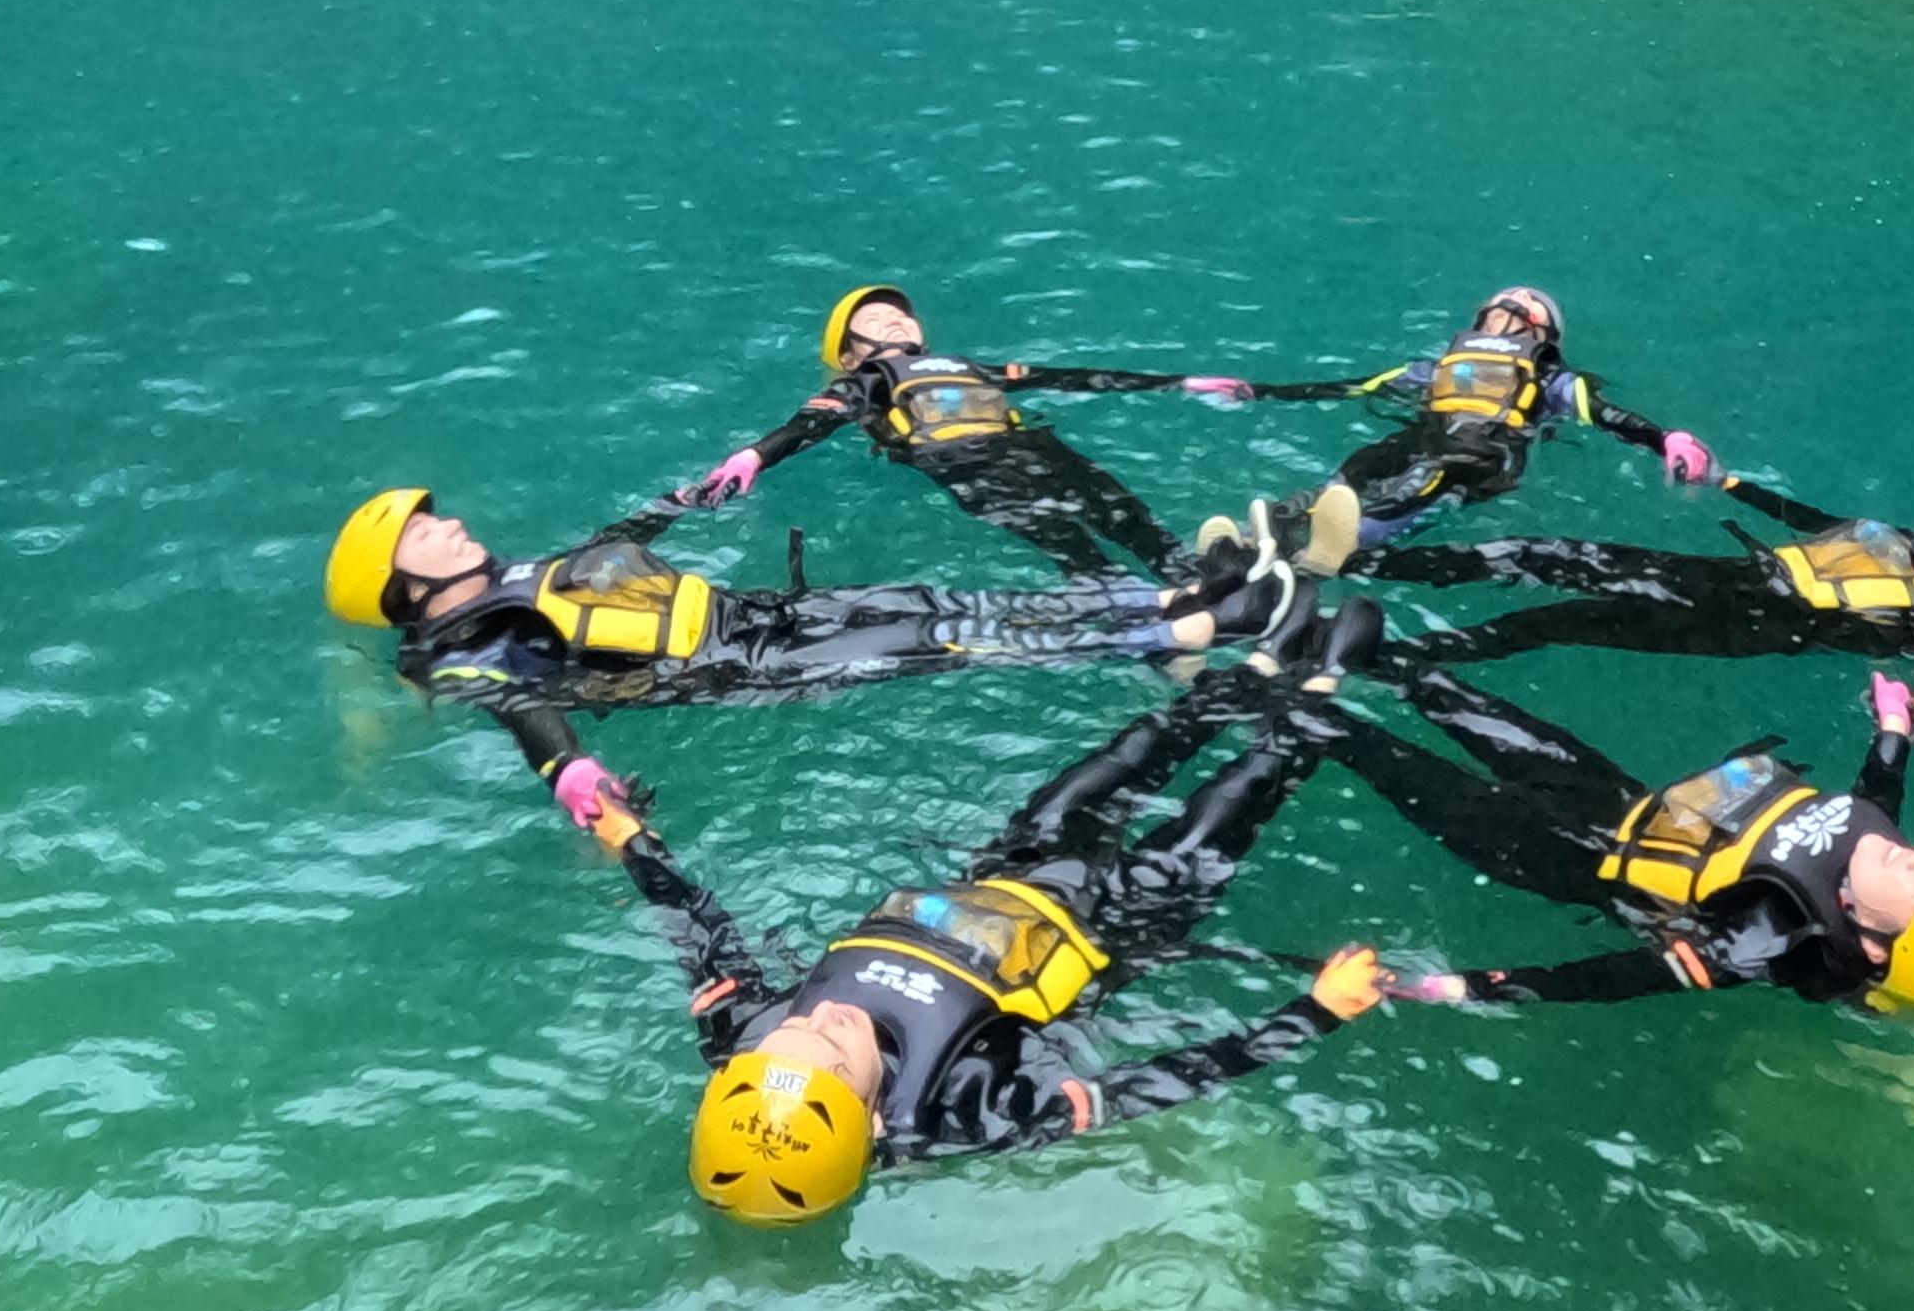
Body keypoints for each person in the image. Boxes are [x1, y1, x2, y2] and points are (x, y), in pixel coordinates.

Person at [573, 612, 1403, 1220]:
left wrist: (633, 842)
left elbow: (696, 928)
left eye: (794, 1030)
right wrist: (1315, 1012)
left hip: (999, 879)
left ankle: (1251, 670)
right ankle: (1323, 688)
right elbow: (1157, 1085)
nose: (821, 1013)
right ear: (869, 1121)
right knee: (1237, 796)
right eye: (832, 1045)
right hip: (1116, 927)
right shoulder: (968, 1116)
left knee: (1126, 757)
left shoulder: (744, 1034)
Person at [317, 490, 1299, 798]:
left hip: (754, 617)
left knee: (941, 598)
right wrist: (574, 778)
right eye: (421, 537)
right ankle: (1194, 629)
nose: (445, 527)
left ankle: (1165, 598)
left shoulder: (508, 574)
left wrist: (671, 509)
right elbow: (522, 701)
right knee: (945, 642)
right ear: (403, 587)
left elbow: (606, 573)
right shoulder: (463, 643)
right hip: (739, 668)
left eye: (434, 518)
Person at [1325, 650, 1914, 1015]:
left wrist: (1460, 989)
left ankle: (1301, 709)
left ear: (1871, 939)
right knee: (1475, 711)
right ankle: (1356, 652)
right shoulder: (1878, 844)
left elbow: (1610, 979)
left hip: (1564, 857)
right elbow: (1880, 786)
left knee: (1394, 763)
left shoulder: (1763, 935)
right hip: (1623, 800)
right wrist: (1893, 725)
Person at [1377, 456, 1914, 733]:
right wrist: (1726, 481)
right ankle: (1366, 563)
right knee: (1543, 555)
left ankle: (1393, 655)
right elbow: (1826, 527)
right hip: (1739, 577)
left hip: (1761, 618)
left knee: (1564, 612)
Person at [665, 282, 1240, 581]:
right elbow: (813, 421)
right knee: (1067, 541)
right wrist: (753, 457)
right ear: (848, 354)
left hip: (1030, 444)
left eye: (900, 314)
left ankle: (1185, 572)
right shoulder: (867, 380)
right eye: (873, 320)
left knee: (1119, 508)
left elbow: (1072, 377)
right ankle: (1138, 612)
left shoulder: (971, 366)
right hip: (962, 462)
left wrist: (1182, 383)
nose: (893, 318)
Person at [1189, 283, 1718, 564]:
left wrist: (1664, 439)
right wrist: (1257, 392)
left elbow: (1607, 416)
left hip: (1486, 458)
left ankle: (1344, 542)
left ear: (1542, 336)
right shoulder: (1436, 370)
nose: (1506, 317)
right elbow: (1351, 387)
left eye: (1521, 313)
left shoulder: (1552, 379)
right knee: (1366, 463)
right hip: (1428, 438)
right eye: (1498, 310)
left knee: (1430, 481)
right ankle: (1274, 528)